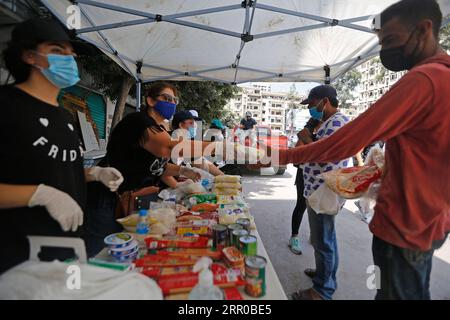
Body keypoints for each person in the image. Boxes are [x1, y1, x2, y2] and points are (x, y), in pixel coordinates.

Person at [261, 0, 450, 300]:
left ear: (423, 30)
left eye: (390, 40)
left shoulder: (425, 79)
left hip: (403, 225)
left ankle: (323, 289)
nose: (384, 50)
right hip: (427, 221)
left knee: (390, 291)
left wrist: (276, 155)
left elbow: (345, 142)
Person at [0, 19, 123, 273]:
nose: (69, 59)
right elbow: (43, 185)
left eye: (71, 53)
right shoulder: (6, 106)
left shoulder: (65, 116)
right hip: (19, 260)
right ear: (29, 56)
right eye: (57, 51)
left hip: (69, 251)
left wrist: (94, 174)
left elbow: (57, 169)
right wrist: (40, 195)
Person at [290, 85, 351, 300]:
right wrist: (308, 136)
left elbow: (328, 156)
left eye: (312, 104)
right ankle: (325, 274)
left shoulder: (337, 123)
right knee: (323, 238)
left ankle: (322, 290)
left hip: (323, 190)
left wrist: (307, 138)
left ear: (324, 101)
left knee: (324, 240)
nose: (310, 109)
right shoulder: (326, 122)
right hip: (316, 188)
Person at [289, 117, 320, 255]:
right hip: (304, 174)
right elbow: (297, 157)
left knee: (317, 208)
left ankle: (314, 235)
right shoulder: (306, 135)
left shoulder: (326, 136)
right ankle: (294, 237)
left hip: (320, 177)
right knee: (301, 205)